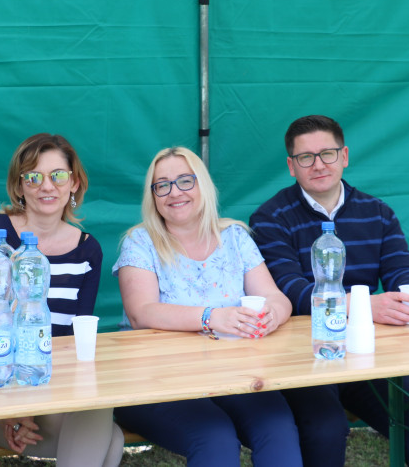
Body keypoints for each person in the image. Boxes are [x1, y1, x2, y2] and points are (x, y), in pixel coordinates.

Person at [249, 115, 409, 467]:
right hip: (304, 356)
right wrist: (363, 305)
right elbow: (289, 292)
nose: (319, 165)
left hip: (366, 351)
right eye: (306, 157)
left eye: (327, 154)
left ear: (344, 156)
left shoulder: (377, 213)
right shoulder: (270, 218)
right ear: (291, 166)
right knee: (325, 430)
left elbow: (401, 269)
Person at [112, 146, 304, 467]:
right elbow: (141, 312)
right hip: (156, 380)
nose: (175, 192)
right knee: (215, 437)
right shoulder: (140, 242)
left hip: (233, 374)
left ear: (203, 185)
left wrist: (272, 315)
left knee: (277, 427)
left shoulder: (235, 236)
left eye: (185, 181)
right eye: (163, 185)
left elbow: (276, 297)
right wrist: (211, 317)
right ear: (153, 196)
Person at [0, 133, 123, 467]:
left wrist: (35, 404)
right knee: (110, 437)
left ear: (74, 183)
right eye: (33, 177)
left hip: (50, 388)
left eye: (58, 176)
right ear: (19, 186)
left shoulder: (88, 250)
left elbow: (74, 340)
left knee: (106, 428)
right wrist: (10, 411)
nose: (46, 186)